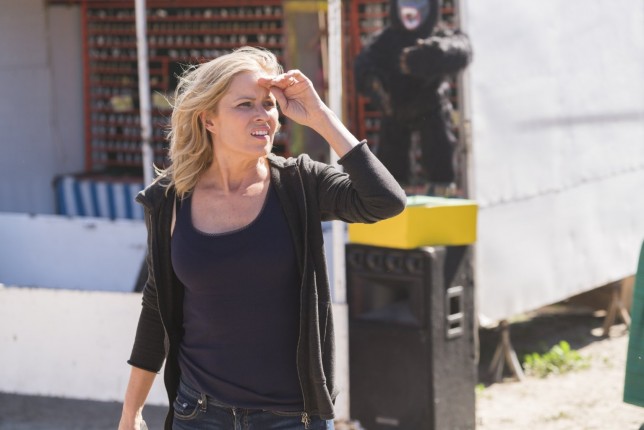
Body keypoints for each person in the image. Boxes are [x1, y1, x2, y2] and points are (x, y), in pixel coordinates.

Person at [117, 46, 406, 430]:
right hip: (198, 413)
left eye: (269, 104)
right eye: (245, 104)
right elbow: (157, 306)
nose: (263, 115)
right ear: (208, 119)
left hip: (293, 417)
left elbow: (385, 201)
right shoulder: (169, 200)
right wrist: (131, 411)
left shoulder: (301, 184)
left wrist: (320, 116)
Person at [355, 0, 472, 195]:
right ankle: (392, 191)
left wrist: (435, 54)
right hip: (395, 107)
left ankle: (442, 186)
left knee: (438, 142)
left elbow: (462, 49)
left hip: (431, 105)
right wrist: (372, 83)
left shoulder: (437, 35)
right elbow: (363, 63)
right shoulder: (386, 40)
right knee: (392, 153)